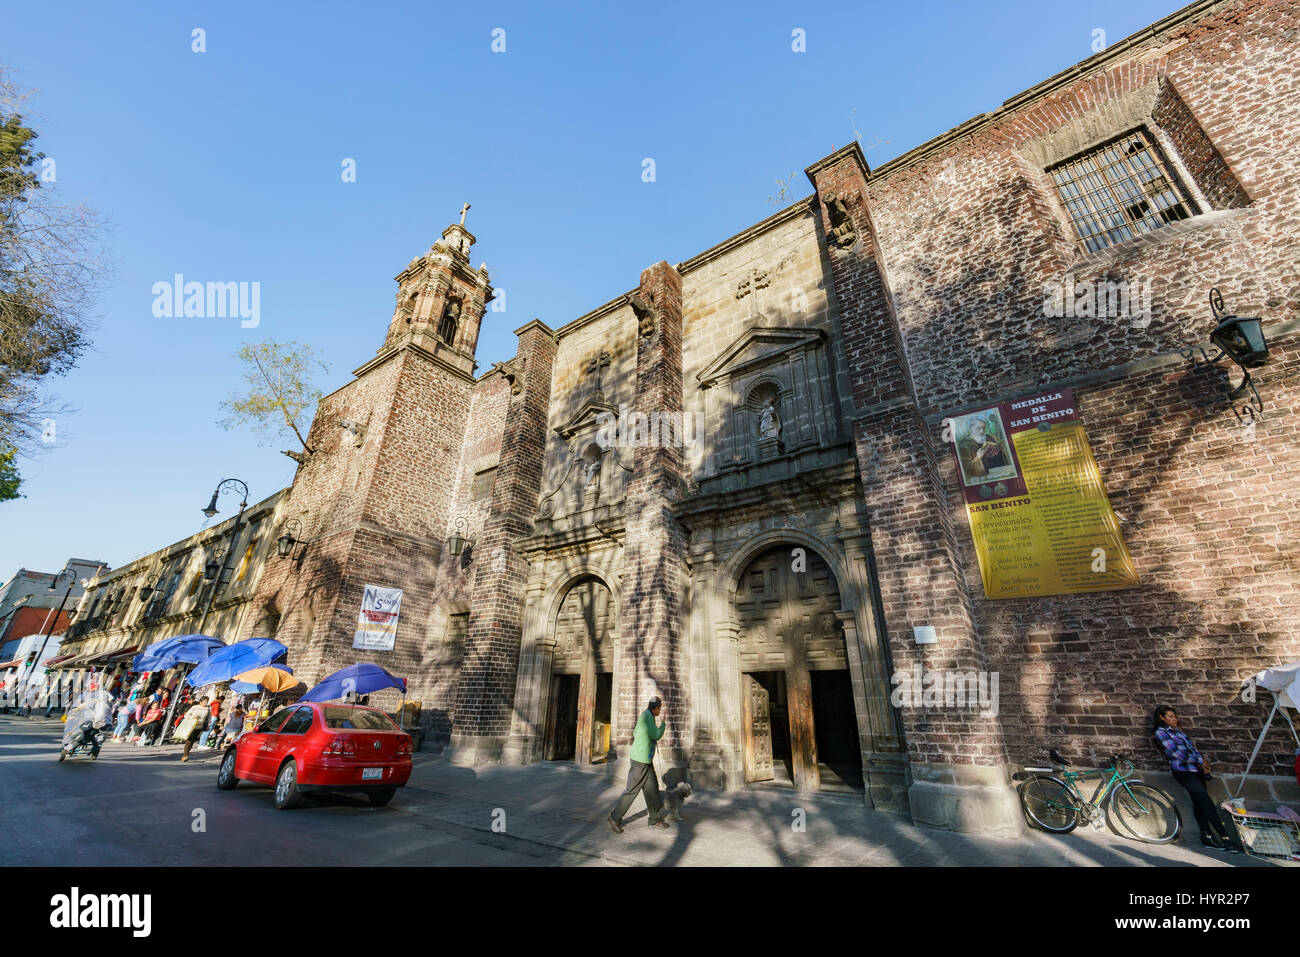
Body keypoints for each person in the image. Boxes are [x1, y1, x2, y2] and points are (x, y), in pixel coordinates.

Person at [1152, 705, 1240, 853]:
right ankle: (1226, 838)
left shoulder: (1178, 731)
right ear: (1161, 717)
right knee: (1206, 801)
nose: (1175, 719)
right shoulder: (1161, 732)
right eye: (1170, 716)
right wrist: (1200, 760)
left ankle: (1206, 836)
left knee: (1199, 803)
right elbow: (1177, 754)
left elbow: (1191, 750)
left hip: (1195, 771)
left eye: (1175, 716)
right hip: (1183, 771)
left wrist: (1202, 764)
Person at [608, 696, 669, 832]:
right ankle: (614, 817)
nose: (660, 710)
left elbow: (635, 732)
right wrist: (663, 725)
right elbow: (656, 734)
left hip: (645, 761)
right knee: (632, 790)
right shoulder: (648, 717)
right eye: (659, 708)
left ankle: (654, 819)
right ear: (655, 708)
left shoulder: (645, 715)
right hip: (640, 761)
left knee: (652, 789)